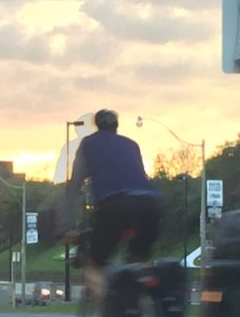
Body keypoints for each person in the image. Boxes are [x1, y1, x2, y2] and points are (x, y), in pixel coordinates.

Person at [57, 109, 162, 301]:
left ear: (96, 125)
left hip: (114, 206)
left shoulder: (89, 144)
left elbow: (74, 187)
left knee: (94, 262)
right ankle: (145, 312)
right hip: (149, 204)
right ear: (117, 126)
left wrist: (64, 227)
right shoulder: (132, 145)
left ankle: (111, 305)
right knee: (138, 259)